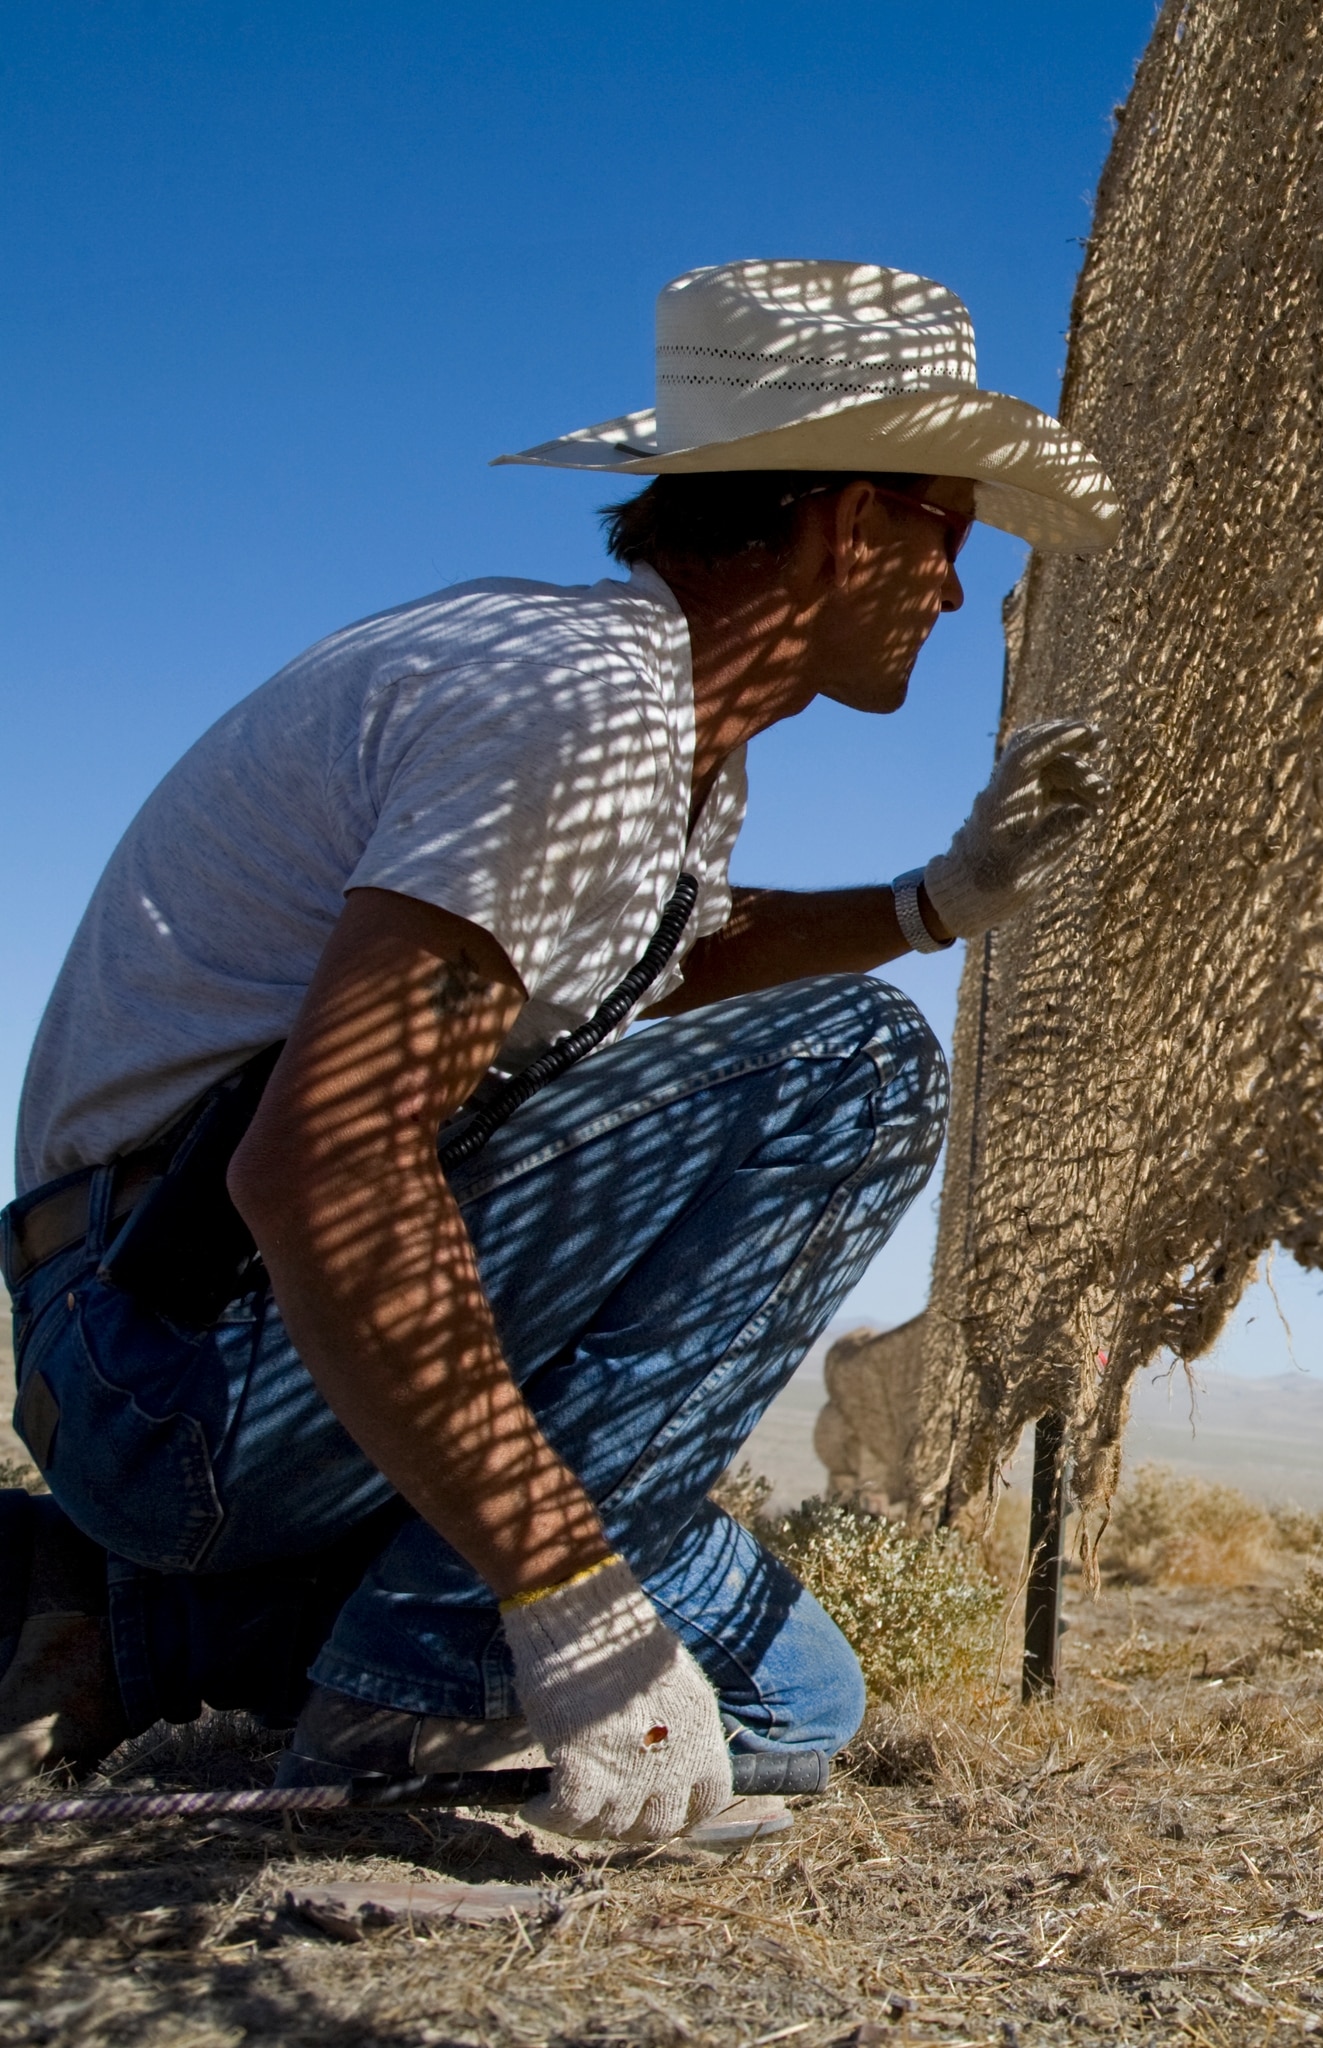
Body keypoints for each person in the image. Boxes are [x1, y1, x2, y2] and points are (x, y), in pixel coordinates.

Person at [0, 259, 1117, 1843]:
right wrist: (566, 1599)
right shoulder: (581, 710)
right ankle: (421, 1665)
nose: (951, 590)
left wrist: (934, 901)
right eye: (944, 535)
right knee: (854, 1071)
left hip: (236, 1358)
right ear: (847, 521)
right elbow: (327, 1160)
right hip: (177, 1358)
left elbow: (661, 977)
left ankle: (119, 1622)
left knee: (800, 1707)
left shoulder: (660, 742)